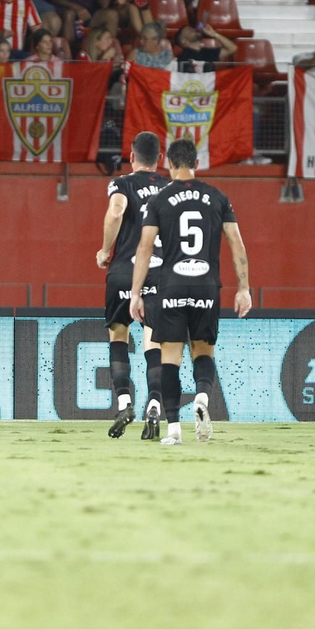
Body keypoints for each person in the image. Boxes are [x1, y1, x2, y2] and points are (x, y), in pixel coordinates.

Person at [128, 137, 252, 446]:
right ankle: (201, 398)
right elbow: (236, 243)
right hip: (207, 286)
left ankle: (174, 431)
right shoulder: (218, 197)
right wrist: (244, 289)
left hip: (171, 286)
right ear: (196, 163)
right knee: (203, 353)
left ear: (168, 163)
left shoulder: (159, 200)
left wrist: (136, 293)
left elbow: (145, 248)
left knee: (170, 358)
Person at [100, 130, 171, 441]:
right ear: (159, 158)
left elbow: (116, 212)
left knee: (119, 335)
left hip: (123, 271)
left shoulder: (122, 183)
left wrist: (105, 249)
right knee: (154, 342)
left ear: (131, 157)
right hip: (158, 272)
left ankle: (124, 403)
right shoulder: (170, 188)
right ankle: (154, 404)